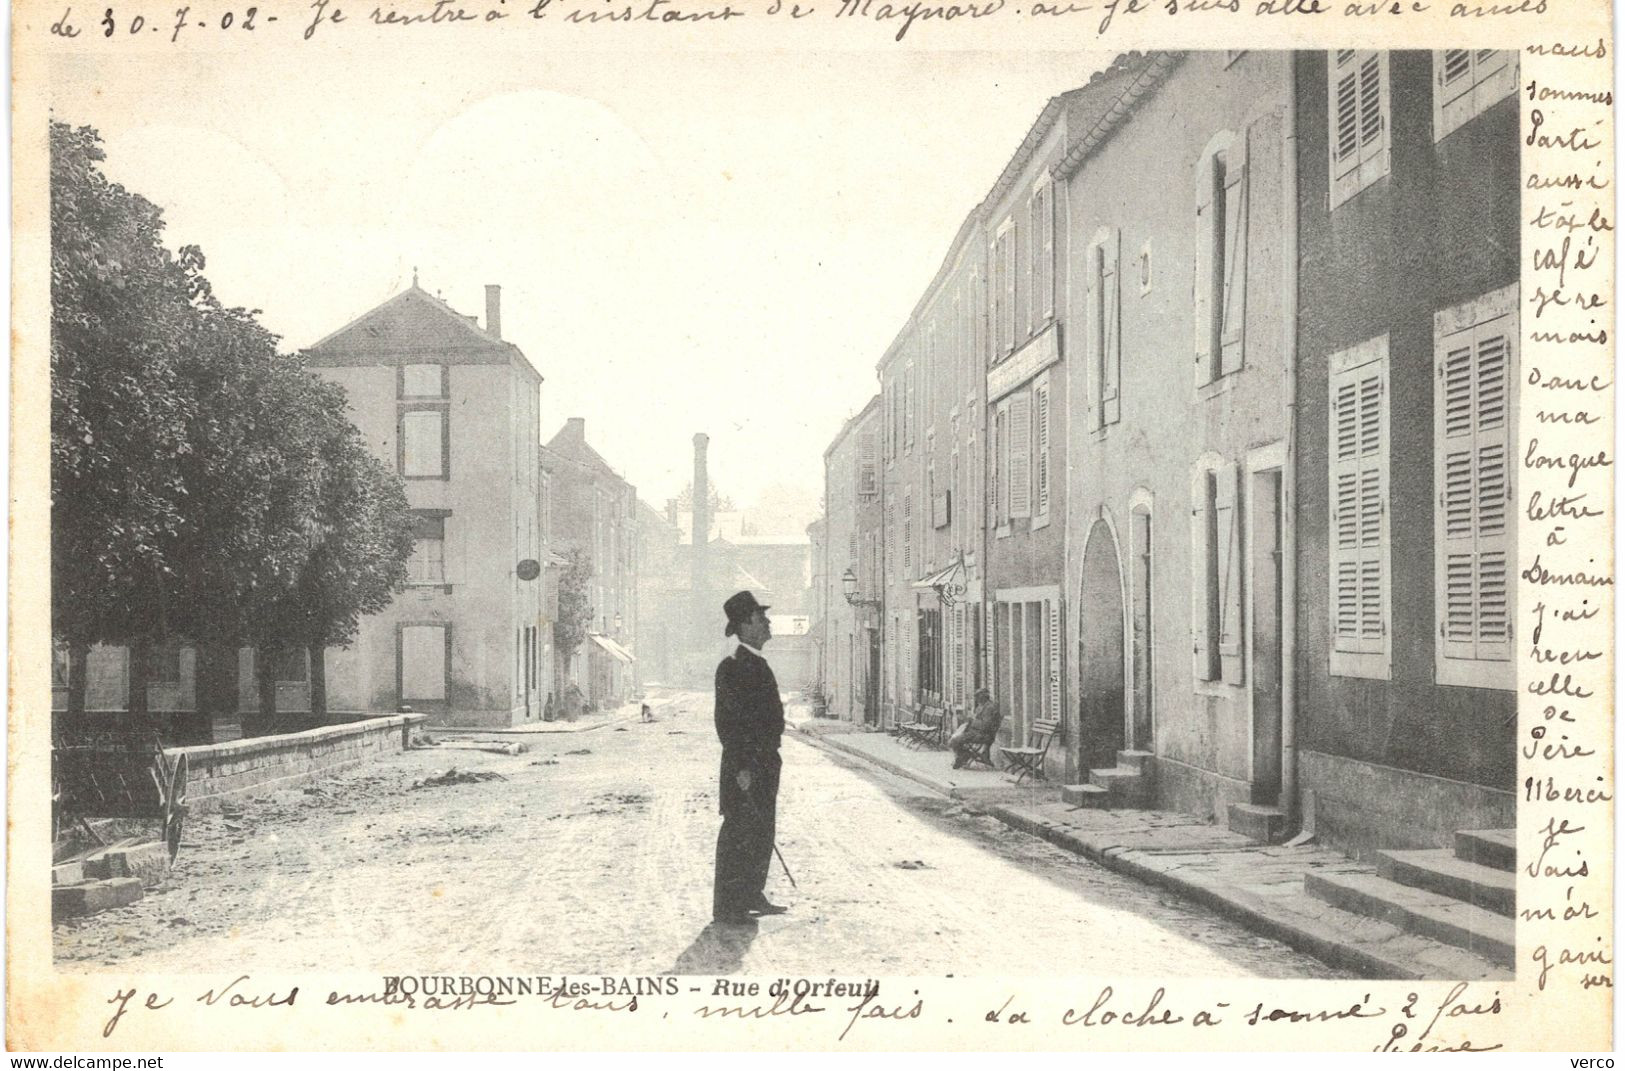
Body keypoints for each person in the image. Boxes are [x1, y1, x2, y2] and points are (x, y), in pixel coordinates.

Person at [711, 590, 788, 924]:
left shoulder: (757, 664)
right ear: (745, 625)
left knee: (761, 830)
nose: (768, 622)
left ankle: (751, 893)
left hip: (764, 763)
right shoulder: (732, 668)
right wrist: (742, 766)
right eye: (761, 618)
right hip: (745, 767)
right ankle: (729, 904)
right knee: (739, 831)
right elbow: (728, 723)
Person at [948, 688, 1002, 769]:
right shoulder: (981, 706)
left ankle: (964, 756)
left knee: (955, 741)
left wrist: (972, 722)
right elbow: (978, 721)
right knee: (953, 740)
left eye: (978, 697)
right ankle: (964, 756)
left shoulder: (990, 708)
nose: (976, 699)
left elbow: (985, 725)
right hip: (976, 732)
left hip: (984, 735)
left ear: (983, 697)